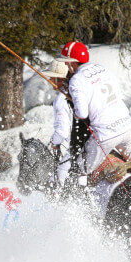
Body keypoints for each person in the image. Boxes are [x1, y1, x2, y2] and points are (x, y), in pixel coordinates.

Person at [59, 41, 131, 179]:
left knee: (80, 169)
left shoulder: (76, 79)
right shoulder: (104, 69)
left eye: (66, 62)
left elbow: (82, 113)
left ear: (72, 63)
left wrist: (75, 111)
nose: (65, 66)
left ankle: (79, 200)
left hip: (106, 135)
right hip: (127, 127)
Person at [44, 59, 79, 187]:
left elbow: (61, 131)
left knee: (60, 173)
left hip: (79, 145)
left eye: (52, 78)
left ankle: (67, 202)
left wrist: (54, 142)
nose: (50, 81)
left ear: (59, 79)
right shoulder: (76, 90)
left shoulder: (60, 100)